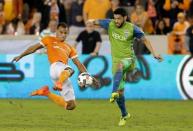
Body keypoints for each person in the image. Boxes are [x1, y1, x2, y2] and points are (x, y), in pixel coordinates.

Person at [87, 8, 163, 126]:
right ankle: (124, 114)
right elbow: (95, 21)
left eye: (119, 18)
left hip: (129, 60)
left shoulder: (132, 28)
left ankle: (113, 92)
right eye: (115, 18)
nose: (116, 21)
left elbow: (145, 40)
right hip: (116, 61)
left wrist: (154, 54)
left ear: (125, 18)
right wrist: (91, 21)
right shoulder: (110, 23)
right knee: (121, 92)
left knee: (120, 66)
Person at [12, 22, 99, 110]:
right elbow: (33, 48)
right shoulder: (49, 39)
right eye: (61, 32)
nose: (63, 35)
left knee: (71, 105)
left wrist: (89, 77)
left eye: (65, 33)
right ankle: (59, 83)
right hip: (56, 67)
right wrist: (21, 55)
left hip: (62, 74)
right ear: (56, 31)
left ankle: (46, 93)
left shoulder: (70, 48)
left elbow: (79, 64)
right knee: (71, 69)